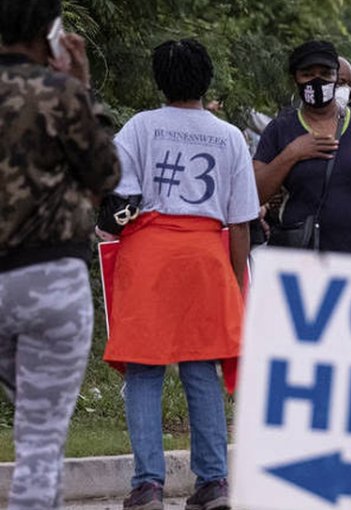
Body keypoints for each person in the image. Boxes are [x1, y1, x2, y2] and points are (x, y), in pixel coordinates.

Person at [101, 39, 259, 510]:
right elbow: (241, 221)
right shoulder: (229, 135)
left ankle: (147, 485)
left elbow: (116, 199)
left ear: (159, 80)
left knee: (145, 371)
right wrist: (233, 283)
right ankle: (213, 482)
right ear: (206, 78)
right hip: (206, 256)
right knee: (201, 369)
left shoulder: (139, 127)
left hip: (149, 254)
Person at [0, 2, 121, 507]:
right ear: (48, 31)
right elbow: (106, 174)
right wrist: (82, 86)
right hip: (51, 277)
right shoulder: (61, 94)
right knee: (39, 438)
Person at [254, 40, 351, 254]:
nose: (317, 80)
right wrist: (293, 153)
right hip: (301, 258)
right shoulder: (280, 129)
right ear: (295, 78)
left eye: (325, 73)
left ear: (336, 78)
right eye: (307, 74)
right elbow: (255, 195)